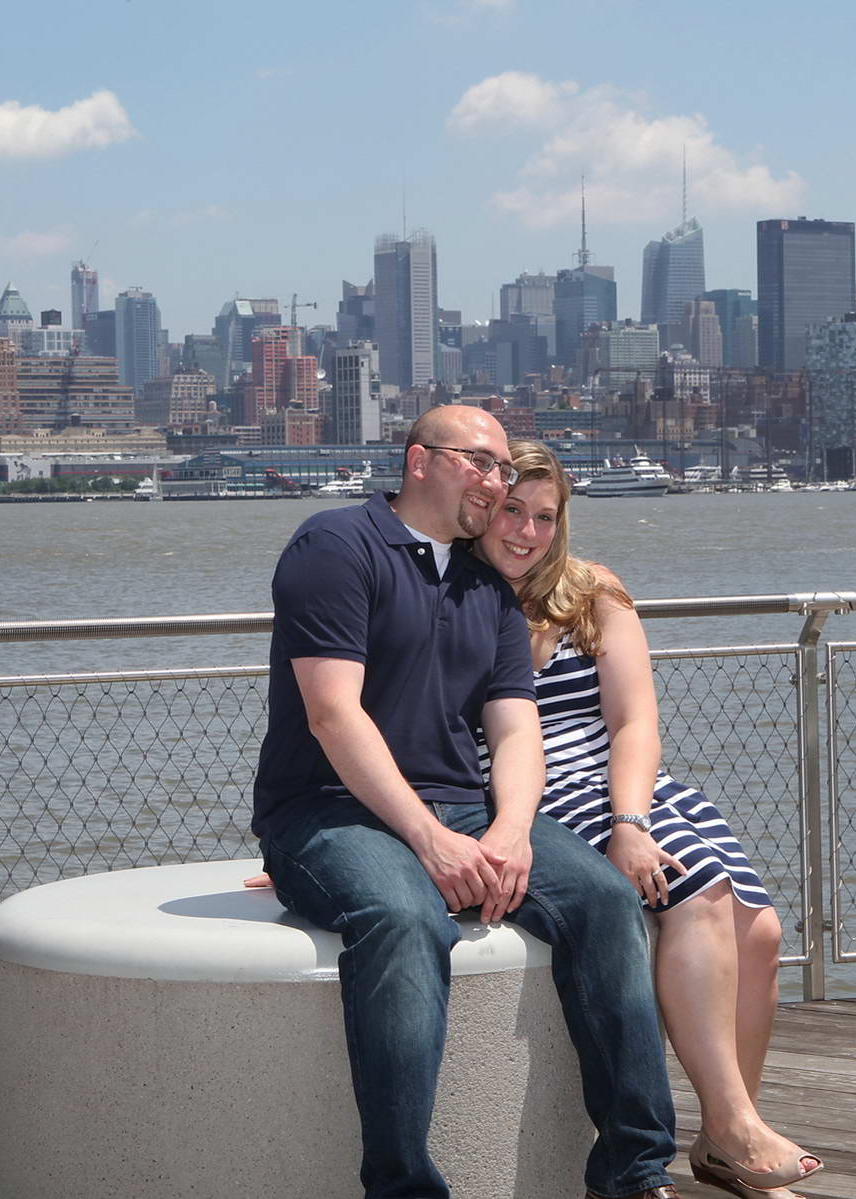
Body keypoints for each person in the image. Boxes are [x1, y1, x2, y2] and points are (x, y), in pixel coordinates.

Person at [250, 405, 679, 1199]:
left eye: (503, 469)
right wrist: (427, 839)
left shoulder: (486, 584)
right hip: (326, 810)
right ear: (419, 461)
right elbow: (331, 712)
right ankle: (402, 1186)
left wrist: (512, 831)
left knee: (602, 900)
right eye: (480, 463)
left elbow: (516, 728)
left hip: (466, 806)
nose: (496, 481)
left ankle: (633, 1170)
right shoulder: (335, 547)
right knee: (407, 918)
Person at [471, 439, 822, 1199]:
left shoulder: (592, 591)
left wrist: (631, 816)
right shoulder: (457, 601)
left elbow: (633, 722)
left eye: (543, 515)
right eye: (511, 510)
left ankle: (731, 1133)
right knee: (698, 892)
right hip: (543, 795)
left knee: (759, 929)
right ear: (481, 507)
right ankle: (733, 1130)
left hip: (631, 786)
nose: (526, 531)